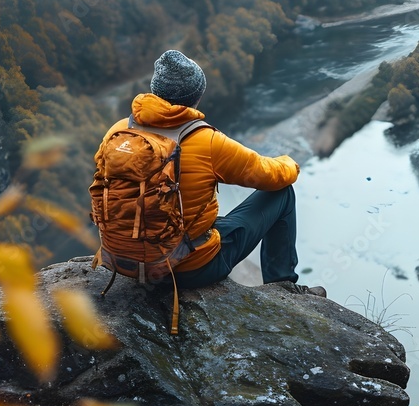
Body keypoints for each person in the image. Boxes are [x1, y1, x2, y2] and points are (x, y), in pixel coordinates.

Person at [95, 49, 326, 296]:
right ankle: (285, 289)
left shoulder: (119, 132)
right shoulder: (207, 142)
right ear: (197, 96)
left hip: (123, 262)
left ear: (155, 91)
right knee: (282, 194)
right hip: (189, 269)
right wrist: (290, 163)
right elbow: (271, 176)